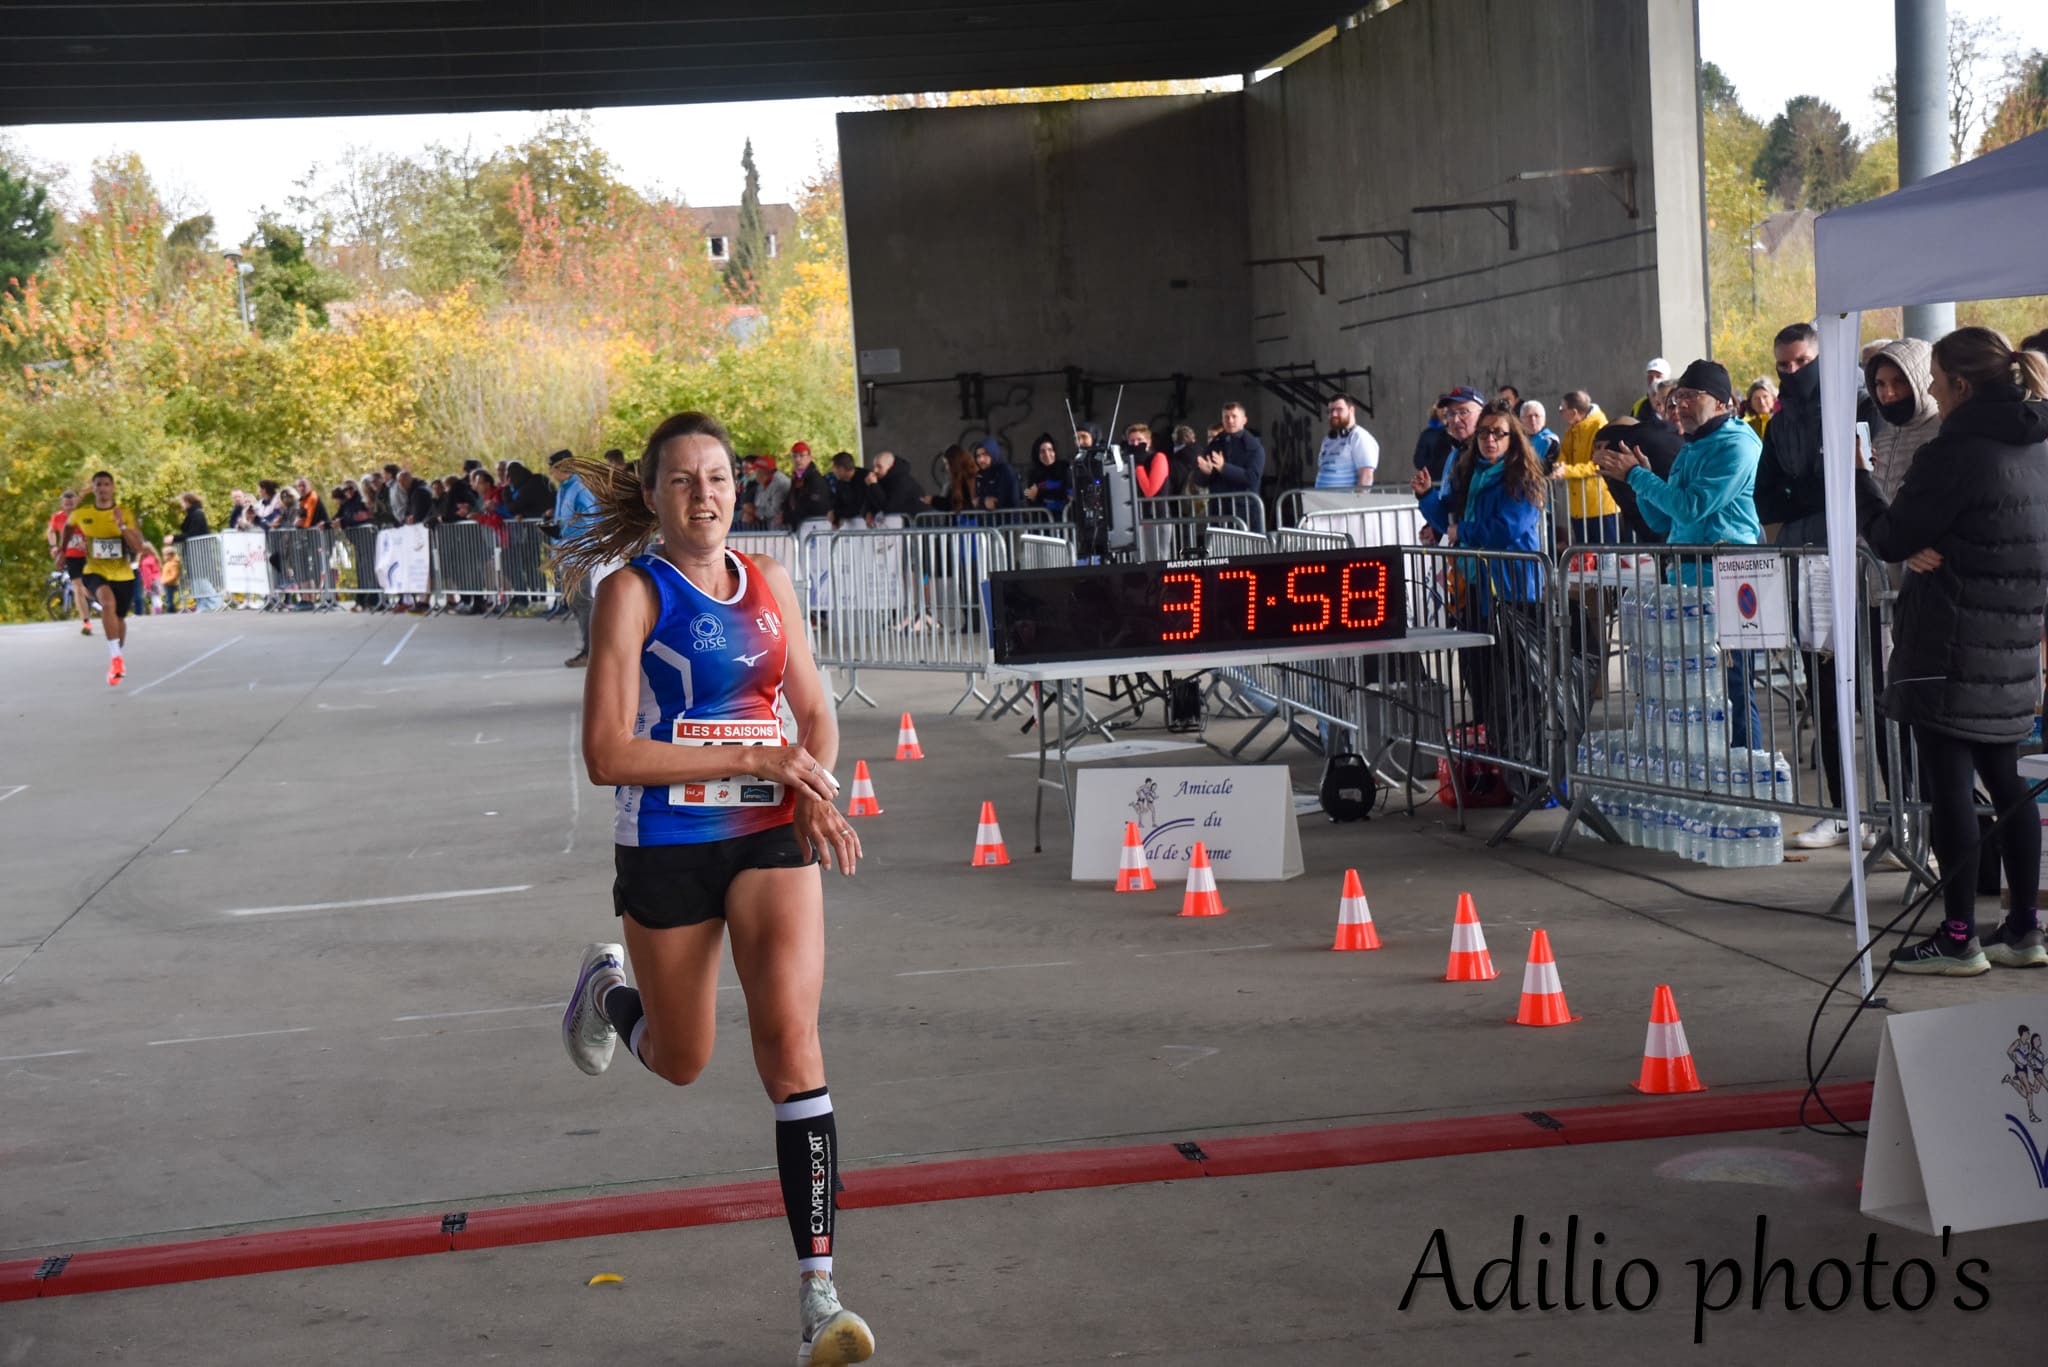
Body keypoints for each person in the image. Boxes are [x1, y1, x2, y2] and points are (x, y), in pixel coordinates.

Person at [553, 412, 875, 1366]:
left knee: (791, 1041)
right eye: (685, 480)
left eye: (721, 477)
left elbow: (816, 715)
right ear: (653, 496)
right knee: (683, 1056)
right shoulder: (630, 593)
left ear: (742, 489)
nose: (706, 494)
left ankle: (820, 1293)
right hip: (667, 839)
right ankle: (610, 992)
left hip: (771, 834)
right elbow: (607, 752)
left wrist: (809, 787)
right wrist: (752, 752)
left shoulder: (771, 582)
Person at [1855, 327, 2048, 975]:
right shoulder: (2039, 441)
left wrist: (1859, 483)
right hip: (2016, 639)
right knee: (2006, 781)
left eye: (1936, 377)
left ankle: (1959, 934)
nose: (1930, 388)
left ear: (1961, 385)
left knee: (1952, 790)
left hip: (1949, 640)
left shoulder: (1953, 450)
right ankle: (2023, 928)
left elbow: (1890, 534)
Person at [1594, 360, 1765, 746]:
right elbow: (1661, 520)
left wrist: (1638, 477)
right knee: (1695, 695)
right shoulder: (1692, 446)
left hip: (1729, 578)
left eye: (1690, 397)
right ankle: (1712, 777)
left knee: (1733, 690)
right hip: (1687, 582)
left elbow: (1691, 506)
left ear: (1722, 403)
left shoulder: (1737, 444)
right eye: (1676, 398)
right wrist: (1642, 477)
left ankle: (1746, 785)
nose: (1679, 406)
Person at [69, 471, 144, 685]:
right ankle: (116, 658)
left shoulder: (126, 514)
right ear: (93, 488)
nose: (102, 488)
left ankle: (116, 657)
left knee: (119, 618)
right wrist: (61, 551)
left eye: (106, 484)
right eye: (98, 484)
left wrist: (121, 526)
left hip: (123, 573)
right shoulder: (84, 514)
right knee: (107, 603)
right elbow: (67, 526)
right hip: (95, 570)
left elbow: (138, 547)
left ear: (112, 488)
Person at [549, 450, 603, 667]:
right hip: (566, 550)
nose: (551, 473)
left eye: (553, 468)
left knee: (582, 600)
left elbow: (592, 518)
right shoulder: (564, 489)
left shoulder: (580, 487)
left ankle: (591, 651)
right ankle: (588, 648)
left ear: (563, 467)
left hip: (579, 552)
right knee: (574, 601)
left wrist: (572, 527)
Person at [1552, 390, 1619, 546]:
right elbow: (1565, 452)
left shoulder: (1599, 426)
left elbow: (1599, 463)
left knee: (1606, 557)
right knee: (1585, 558)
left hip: (1599, 505)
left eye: (1562, 409)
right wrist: (1559, 464)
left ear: (1574, 412)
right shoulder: (1572, 429)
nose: (1561, 413)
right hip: (1578, 505)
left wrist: (1567, 471)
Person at [1194, 402, 1266, 506]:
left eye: (1234, 416)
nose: (1230, 421)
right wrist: (1206, 473)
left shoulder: (1254, 447)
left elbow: (1252, 478)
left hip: (1244, 509)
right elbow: (1199, 480)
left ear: (1244, 420)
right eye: (1226, 417)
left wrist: (1224, 467)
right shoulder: (1215, 444)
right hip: (1218, 509)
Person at [48, 489, 93, 634]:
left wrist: (86, 543)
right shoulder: (58, 517)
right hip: (71, 557)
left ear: (76, 503)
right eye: (66, 505)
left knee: (90, 589)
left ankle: (105, 603)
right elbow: (50, 531)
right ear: (62, 504)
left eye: (71, 505)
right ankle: (86, 622)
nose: (68, 507)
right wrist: (54, 546)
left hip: (88, 557)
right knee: (77, 587)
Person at [1314, 393, 1380, 489]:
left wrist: (1357, 500)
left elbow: (1366, 475)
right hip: (1320, 501)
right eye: (1330, 411)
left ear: (1351, 410)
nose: (1333, 414)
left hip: (1344, 502)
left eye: (1339, 410)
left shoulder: (1359, 437)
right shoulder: (1328, 439)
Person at [861, 450, 924, 529]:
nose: (875, 470)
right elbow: (869, 501)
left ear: (890, 466)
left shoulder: (902, 481)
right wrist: (868, 512)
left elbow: (889, 507)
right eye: (874, 466)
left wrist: (873, 485)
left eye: (879, 466)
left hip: (916, 525)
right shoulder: (879, 479)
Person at [785, 443, 834, 529]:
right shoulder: (796, 478)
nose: (798, 459)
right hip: (801, 525)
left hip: (814, 526)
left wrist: (788, 517)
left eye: (801, 456)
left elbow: (815, 506)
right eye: (794, 456)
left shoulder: (815, 479)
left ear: (809, 457)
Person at [1022, 434, 1069, 516]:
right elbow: (1030, 498)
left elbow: (1067, 493)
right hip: (1043, 522)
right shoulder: (1033, 474)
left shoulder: (1065, 468)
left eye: (1050, 450)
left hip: (1066, 519)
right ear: (1037, 455)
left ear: (1055, 451)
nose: (1047, 455)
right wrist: (1034, 497)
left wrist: (1040, 492)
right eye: (1042, 451)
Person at [972, 438, 1022, 510]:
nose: (981, 459)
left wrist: (981, 501)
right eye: (978, 456)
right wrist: (983, 502)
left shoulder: (1005, 471)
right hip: (989, 520)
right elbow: (977, 502)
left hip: (1009, 519)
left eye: (985, 454)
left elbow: (998, 502)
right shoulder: (980, 476)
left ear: (993, 453)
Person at [828, 452, 866, 528]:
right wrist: (835, 518)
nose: (833, 471)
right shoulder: (840, 482)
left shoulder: (864, 479)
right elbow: (837, 503)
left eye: (834, 468)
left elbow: (858, 506)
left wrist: (839, 514)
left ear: (841, 469)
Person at [1519, 401, 1559, 466]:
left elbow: (1549, 466)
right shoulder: (1516, 440)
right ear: (1521, 420)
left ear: (1544, 419)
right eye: (1529, 416)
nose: (1533, 419)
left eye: (1536, 416)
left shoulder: (1550, 440)